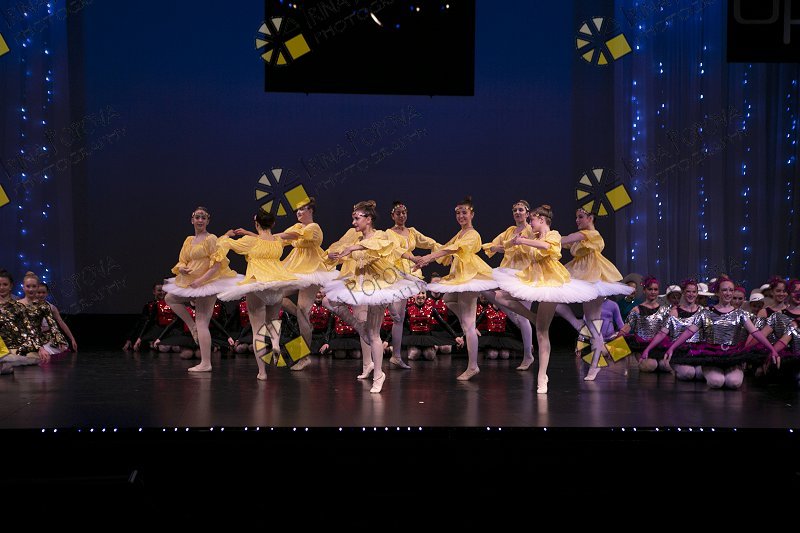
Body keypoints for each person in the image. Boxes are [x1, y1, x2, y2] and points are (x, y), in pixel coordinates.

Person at [491, 204, 597, 393]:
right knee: (498, 295)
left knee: (541, 332)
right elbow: (513, 246)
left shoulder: (553, 234)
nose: (530, 223)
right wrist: (509, 243)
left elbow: (547, 246)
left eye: (532, 220)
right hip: (531, 278)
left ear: (541, 220)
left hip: (550, 283)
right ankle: (532, 317)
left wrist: (523, 241)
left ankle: (542, 375)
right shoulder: (532, 237)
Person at [324, 200, 421, 393]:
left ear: (368, 219)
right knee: (329, 300)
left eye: (357, 218)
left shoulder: (381, 235)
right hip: (359, 283)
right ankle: (359, 327)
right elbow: (345, 253)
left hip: (378, 286)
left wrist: (413, 258)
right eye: (353, 219)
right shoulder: (356, 240)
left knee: (374, 335)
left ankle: (378, 374)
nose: (353, 222)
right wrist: (334, 255)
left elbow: (392, 249)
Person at [216, 209, 310, 380]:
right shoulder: (277, 241)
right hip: (276, 284)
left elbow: (226, 244)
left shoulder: (251, 242)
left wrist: (226, 236)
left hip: (258, 284)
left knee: (258, 330)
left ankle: (262, 372)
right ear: (273, 224)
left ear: (256, 223)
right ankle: (275, 343)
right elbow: (293, 236)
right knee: (273, 321)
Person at [414, 196, 498, 381]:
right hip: (459, 275)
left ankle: (473, 366)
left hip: (469, 276)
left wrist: (429, 258)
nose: (461, 216)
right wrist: (425, 258)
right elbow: (446, 247)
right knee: (448, 299)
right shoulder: (460, 233)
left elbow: (452, 249)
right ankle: (470, 326)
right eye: (458, 213)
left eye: (464, 212)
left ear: (472, 214)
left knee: (468, 324)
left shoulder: (472, 234)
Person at [556, 207, 634, 380]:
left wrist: (548, 237)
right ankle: (578, 325)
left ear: (590, 218)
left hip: (592, 276)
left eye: (580, 217)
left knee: (593, 323)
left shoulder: (591, 234)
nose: (577, 220)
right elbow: (564, 242)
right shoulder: (581, 237)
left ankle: (595, 365)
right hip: (579, 273)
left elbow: (565, 239)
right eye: (576, 217)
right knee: (554, 299)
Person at [162, 206, 242, 372]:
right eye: (197, 217)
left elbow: (217, 264)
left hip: (206, 283)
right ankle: (191, 327)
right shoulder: (189, 240)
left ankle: (206, 363)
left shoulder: (211, 239)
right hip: (190, 283)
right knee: (170, 298)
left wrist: (201, 281)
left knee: (202, 322)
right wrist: (182, 268)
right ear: (192, 220)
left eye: (203, 217)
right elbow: (182, 260)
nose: (200, 220)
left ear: (207, 221)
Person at [664, 276, 779, 390]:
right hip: (712, 355)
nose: (728, 293)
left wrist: (772, 349)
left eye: (731, 290)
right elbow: (689, 331)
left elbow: (756, 333)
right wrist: (672, 348)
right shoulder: (706, 312)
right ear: (717, 292)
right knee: (717, 382)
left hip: (732, 356)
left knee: (733, 383)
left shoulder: (740, 314)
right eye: (724, 290)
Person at [268, 197, 338, 371]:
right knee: (276, 296)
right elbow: (282, 240)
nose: (298, 212)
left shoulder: (314, 227)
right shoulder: (297, 226)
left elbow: (292, 236)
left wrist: (276, 235)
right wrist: (263, 238)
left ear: (310, 211)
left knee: (302, 308)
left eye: (302, 209)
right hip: (295, 267)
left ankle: (304, 357)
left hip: (312, 270)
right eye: (297, 210)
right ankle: (305, 321)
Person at [481, 200, 536, 370]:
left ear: (527, 213)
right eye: (515, 210)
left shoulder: (532, 230)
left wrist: (522, 243)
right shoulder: (509, 231)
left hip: (524, 275)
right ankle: (515, 318)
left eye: (521, 210)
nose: (517, 212)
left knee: (524, 317)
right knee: (486, 289)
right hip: (506, 273)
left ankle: (528, 356)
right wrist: (505, 246)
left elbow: (537, 247)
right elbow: (491, 246)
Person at [384, 201, 440, 369]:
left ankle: (396, 355)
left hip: (409, 273)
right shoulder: (388, 233)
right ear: (392, 216)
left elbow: (429, 242)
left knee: (400, 318)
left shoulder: (412, 232)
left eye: (404, 212)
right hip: (394, 274)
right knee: (394, 316)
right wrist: (413, 258)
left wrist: (443, 251)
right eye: (398, 213)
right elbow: (396, 250)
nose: (402, 215)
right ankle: (387, 353)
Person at [639, 279, 705, 381]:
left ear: (697, 293)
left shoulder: (702, 311)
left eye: (694, 292)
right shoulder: (675, 312)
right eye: (688, 291)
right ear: (683, 292)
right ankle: (675, 368)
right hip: (680, 351)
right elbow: (662, 333)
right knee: (689, 373)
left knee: (701, 374)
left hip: (697, 351)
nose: (691, 294)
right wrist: (647, 349)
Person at [614, 276, 672, 373]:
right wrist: (614, 347)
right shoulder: (637, 309)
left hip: (659, 345)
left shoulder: (664, 310)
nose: (653, 292)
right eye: (650, 289)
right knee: (651, 365)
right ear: (644, 290)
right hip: (642, 345)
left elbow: (667, 330)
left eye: (655, 289)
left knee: (666, 366)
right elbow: (625, 329)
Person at [0, 270, 49, 374]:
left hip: (15, 346)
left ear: (11, 286)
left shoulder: (18, 305)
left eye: (5, 284)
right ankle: (6, 362)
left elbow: (28, 328)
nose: (1, 287)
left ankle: (6, 362)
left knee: (34, 357)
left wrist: (40, 347)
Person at [17, 272, 69, 358]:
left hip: (39, 341)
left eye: (34, 286)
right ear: (23, 287)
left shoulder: (44, 306)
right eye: (28, 286)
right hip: (21, 341)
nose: (31, 289)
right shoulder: (16, 305)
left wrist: (59, 339)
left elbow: (53, 325)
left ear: (37, 287)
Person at [123, 283, 166, 351]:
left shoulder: (170, 305)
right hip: (151, 333)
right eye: (159, 290)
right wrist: (129, 338)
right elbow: (141, 322)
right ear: (154, 292)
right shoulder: (149, 305)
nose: (162, 293)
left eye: (163, 290)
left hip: (164, 332)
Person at [36, 282, 77, 352]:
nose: (41, 295)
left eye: (43, 292)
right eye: (39, 292)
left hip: (48, 337)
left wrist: (72, 338)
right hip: (35, 337)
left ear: (47, 293)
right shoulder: (30, 306)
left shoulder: (52, 307)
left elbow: (61, 323)